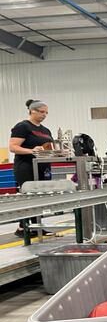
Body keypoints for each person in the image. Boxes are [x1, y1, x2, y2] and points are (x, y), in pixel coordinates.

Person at [9, 99, 54, 238]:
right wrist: (31, 150)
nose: (44, 115)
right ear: (31, 111)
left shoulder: (45, 130)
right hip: (26, 167)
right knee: (28, 197)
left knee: (40, 197)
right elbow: (13, 147)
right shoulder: (22, 126)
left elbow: (48, 148)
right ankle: (23, 228)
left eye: (46, 112)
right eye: (41, 112)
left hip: (42, 167)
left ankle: (37, 226)